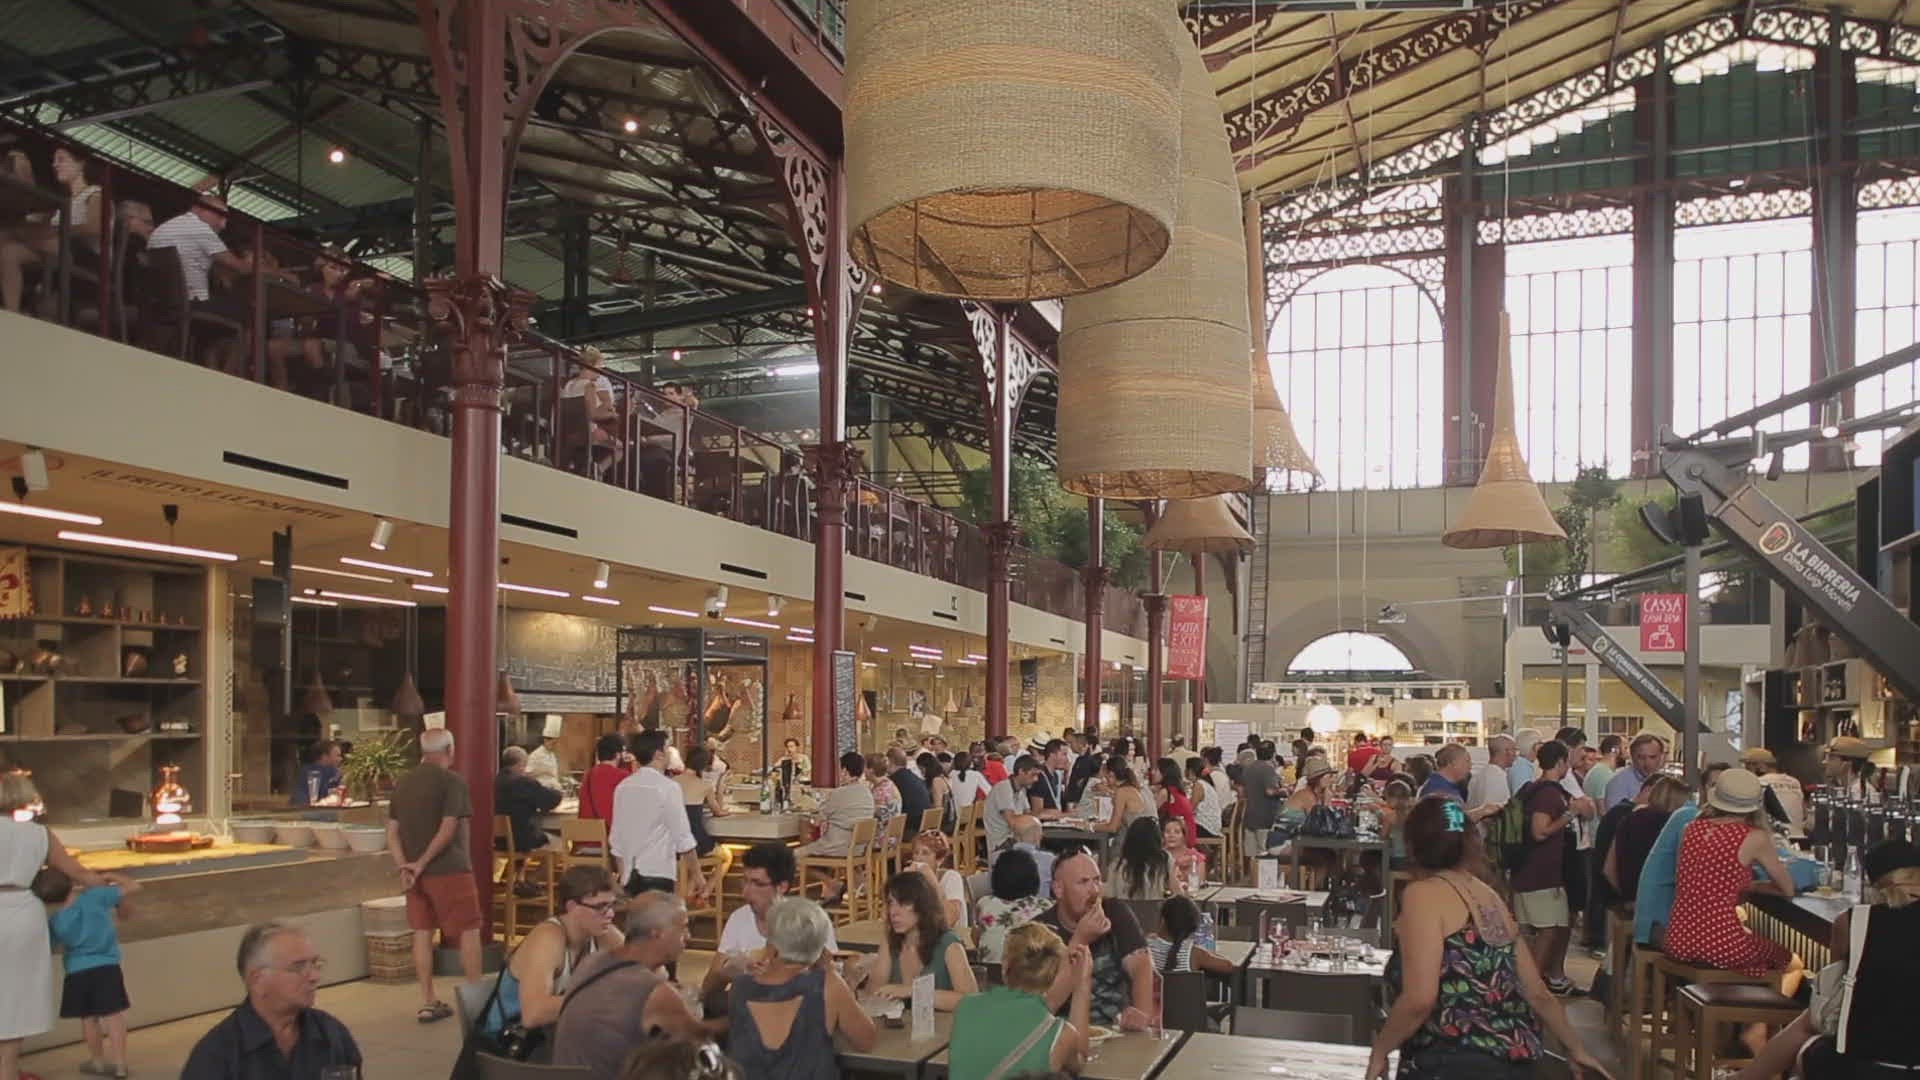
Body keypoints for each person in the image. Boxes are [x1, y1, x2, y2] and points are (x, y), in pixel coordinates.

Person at [1367, 797, 1607, 1079]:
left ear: (1412, 844)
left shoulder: (1423, 895)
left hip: (1450, 1062)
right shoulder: (1489, 897)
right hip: (1515, 1064)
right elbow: (1537, 993)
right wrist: (1576, 1048)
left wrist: (1380, 1050)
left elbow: (1420, 999)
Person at [1734, 839, 1920, 1080]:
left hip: (1861, 1065)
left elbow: (1836, 983)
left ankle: (1745, 1076)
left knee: (1811, 1024)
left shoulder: (1853, 922)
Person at [4, 771, 107, 1080]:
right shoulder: (39, 834)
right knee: (16, 995)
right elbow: (79, 873)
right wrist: (110, 887)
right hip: (22, 913)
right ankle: (7, 1068)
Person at [1662, 768, 1803, 983]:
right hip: (1721, 943)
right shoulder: (1754, 837)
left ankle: (1726, 1003)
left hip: (1677, 938)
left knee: (1748, 941)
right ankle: (1764, 1006)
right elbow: (1787, 888)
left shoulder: (1691, 828)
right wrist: (1754, 886)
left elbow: (1699, 879)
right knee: (1793, 963)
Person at [385, 728, 482, 1023]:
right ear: (450, 750)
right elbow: (449, 827)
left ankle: (428, 1001)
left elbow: (392, 830)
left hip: (414, 874)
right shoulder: (452, 781)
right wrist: (423, 862)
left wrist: (405, 865)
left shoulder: (403, 782)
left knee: (422, 932)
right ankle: (476, 1000)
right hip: (450, 868)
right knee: (469, 930)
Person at [180, 921, 361, 1079]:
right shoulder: (216, 1056)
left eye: (315, 964)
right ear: (257, 980)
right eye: (298, 967)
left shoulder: (332, 1034)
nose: (314, 976)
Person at [551, 894, 708, 1074]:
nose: (688, 936)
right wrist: (733, 1017)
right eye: (683, 927)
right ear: (657, 932)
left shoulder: (592, 962)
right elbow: (700, 1036)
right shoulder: (653, 990)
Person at [728, 898, 876, 1080]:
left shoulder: (740, 987)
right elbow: (866, 1040)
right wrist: (843, 978)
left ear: (772, 942)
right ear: (820, 946)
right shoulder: (828, 984)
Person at [481, 865, 624, 1039]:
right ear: (572, 907)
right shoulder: (548, 937)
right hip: (513, 1041)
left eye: (612, 905)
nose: (610, 914)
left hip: (556, 1035)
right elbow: (533, 1014)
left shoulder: (602, 931)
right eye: (600, 906)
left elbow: (644, 971)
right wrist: (600, 999)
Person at [31, 865, 138, 1078]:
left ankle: (97, 1062)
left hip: (76, 971)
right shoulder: (95, 897)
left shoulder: (56, 921)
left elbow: (49, 946)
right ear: (72, 883)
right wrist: (110, 875)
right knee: (114, 1017)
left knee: (89, 1019)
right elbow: (134, 886)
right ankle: (120, 1064)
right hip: (107, 966)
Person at [949, 923, 1092, 1080]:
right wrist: (1082, 985)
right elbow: (1079, 1062)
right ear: (1052, 973)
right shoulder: (1061, 1035)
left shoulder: (965, 1007)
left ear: (1005, 966)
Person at [1035, 851, 1154, 1031]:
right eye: (1083, 882)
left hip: (1116, 1029)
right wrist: (1080, 940)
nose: (1094, 890)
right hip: (1060, 1033)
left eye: (1097, 880)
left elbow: (1141, 966)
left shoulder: (1115, 912)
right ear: (1059, 889)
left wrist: (1142, 1016)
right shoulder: (1041, 931)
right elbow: (1045, 1006)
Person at [610, 731, 714, 903]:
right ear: (659, 754)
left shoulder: (623, 786)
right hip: (658, 872)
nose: (670, 753)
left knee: (637, 918)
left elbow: (616, 838)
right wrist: (698, 876)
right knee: (658, 918)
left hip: (629, 872)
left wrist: (624, 875)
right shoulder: (668, 788)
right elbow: (683, 838)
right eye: (667, 748)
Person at [1634, 763, 1730, 948]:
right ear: (1702, 790)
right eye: (1714, 785)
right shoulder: (1690, 817)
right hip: (1660, 926)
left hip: (1667, 923)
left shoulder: (1706, 820)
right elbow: (1693, 876)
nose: (1720, 793)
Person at [1511, 740, 1580, 995]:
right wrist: (1569, 814)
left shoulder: (1531, 789)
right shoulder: (1548, 794)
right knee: (1548, 930)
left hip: (1526, 870)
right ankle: (1530, 987)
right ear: (1561, 762)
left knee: (1538, 930)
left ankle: (1528, 983)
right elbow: (1539, 831)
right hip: (1540, 874)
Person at [854, 871, 977, 1010]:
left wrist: (913, 991)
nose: (893, 912)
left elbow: (971, 1001)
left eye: (904, 903)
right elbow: (873, 994)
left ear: (923, 905)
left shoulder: (949, 944)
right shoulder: (890, 942)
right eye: (891, 903)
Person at [0, 146, 101, 312]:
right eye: (54, 161)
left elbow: (94, 226)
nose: (55, 164)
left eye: (61, 159)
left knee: (9, 233)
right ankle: (12, 313)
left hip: (79, 250)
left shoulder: (95, 193)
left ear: (80, 164)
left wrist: (57, 230)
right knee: (8, 252)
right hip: (52, 246)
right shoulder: (63, 202)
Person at [797, 752, 875, 903]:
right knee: (814, 848)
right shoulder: (867, 792)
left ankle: (831, 883)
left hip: (837, 847)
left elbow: (817, 821)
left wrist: (807, 820)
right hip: (858, 848)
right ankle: (843, 887)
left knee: (793, 857)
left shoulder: (839, 794)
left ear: (844, 770)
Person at [1601, 774, 1689, 907]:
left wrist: (1628, 897)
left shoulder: (1629, 819)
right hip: (1663, 906)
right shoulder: (1677, 826)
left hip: (1629, 903)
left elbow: (1608, 869)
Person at [976, 847, 1053, 963]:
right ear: (1034, 878)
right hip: (1031, 972)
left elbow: (977, 939)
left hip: (990, 970)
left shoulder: (984, 903)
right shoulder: (1045, 906)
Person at [496, 746, 563, 859]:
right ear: (520, 764)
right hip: (522, 840)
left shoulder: (496, 780)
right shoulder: (523, 783)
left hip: (498, 841)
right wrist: (557, 791)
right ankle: (540, 872)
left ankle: (519, 870)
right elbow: (551, 799)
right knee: (560, 843)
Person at [1147, 894, 1237, 977]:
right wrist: (1208, 952)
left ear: (1162, 920)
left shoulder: (1145, 947)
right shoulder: (1195, 953)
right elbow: (1229, 966)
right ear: (1192, 928)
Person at [676, 746, 732, 858]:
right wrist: (721, 784)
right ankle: (708, 871)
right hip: (697, 842)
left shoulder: (671, 781)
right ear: (704, 765)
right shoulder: (705, 785)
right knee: (726, 855)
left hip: (674, 843)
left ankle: (689, 870)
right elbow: (718, 812)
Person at [1741, 747, 1806, 840]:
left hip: (1774, 840)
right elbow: (1804, 814)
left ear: (1760, 766)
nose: (1746, 771)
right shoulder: (1795, 782)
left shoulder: (1758, 783)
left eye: (1748, 766)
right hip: (1799, 838)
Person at [908, 829, 969, 928]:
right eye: (916, 853)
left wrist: (931, 879)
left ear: (940, 860)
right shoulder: (914, 880)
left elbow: (949, 920)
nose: (918, 858)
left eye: (925, 853)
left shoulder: (951, 877)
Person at [984, 754, 1043, 855]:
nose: (1036, 779)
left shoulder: (1021, 790)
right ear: (1021, 771)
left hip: (1015, 839)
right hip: (1002, 844)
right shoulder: (1003, 788)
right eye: (1033, 775)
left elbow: (1028, 814)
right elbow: (1013, 822)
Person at [1107, 816, 1174, 901]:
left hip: (1124, 908)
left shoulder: (1117, 865)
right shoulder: (1165, 860)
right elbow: (1174, 891)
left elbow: (1110, 895)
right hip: (1158, 908)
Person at [1603, 732, 1667, 811]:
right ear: (1632, 757)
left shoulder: (1665, 781)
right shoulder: (1617, 783)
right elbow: (1614, 817)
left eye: (1652, 757)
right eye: (1641, 757)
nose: (1647, 763)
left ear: (1661, 757)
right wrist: (1635, 802)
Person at [1091, 754, 1150, 838]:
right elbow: (1118, 823)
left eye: (1104, 773)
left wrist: (1090, 826)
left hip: (1140, 839)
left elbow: (1112, 827)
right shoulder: (1132, 787)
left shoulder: (1122, 792)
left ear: (1111, 774)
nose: (1103, 778)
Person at [577, 733, 631, 823]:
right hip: (611, 829)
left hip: (586, 830)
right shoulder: (623, 776)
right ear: (618, 754)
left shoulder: (588, 774)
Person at [1001, 815, 1056, 893]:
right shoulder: (1050, 860)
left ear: (1015, 837)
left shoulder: (997, 858)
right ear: (1036, 836)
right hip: (1039, 900)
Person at [886, 746, 932, 840]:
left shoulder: (893, 782)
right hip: (923, 827)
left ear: (890, 761)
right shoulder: (915, 777)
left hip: (909, 830)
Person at [1151, 758, 1197, 847]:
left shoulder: (1164, 792)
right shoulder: (1177, 789)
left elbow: (1150, 812)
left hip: (1180, 835)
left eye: (1156, 770)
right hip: (1187, 832)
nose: (1153, 772)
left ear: (1164, 773)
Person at [1823, 736, 1881, 803]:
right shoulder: (1841, 789)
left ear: (1846, 764)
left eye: (1831, 758)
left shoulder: (1859, 793)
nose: (1824, 762)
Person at [1468, 734, 1516, 809]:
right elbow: (1494, 810)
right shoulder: (1497, 777)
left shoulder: (1479, 774)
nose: (1516, 755)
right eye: (1514, 750)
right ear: (1506, 751)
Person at [1163, 817, 1208, 893]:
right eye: (1167, 832)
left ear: (1184, 836)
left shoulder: (1196, 857)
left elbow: (1198, 884)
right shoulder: (1158, 856)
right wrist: (1175, 864)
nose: (1171, 835)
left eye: (1177, 832)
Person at [292, 740, 343, 807]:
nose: (341, 759)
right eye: (338, 755)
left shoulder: (334, 772)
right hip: (310, 811)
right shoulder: (310, 774)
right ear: (324, 757)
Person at [1029, 739, 1071, 819]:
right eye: (1064, 754)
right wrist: (1068, 815)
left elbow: (1065, 804)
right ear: (1052, 755)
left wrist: (1067, 776)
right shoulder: (1039, 777)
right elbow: (1037, 812)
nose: (1067, 759)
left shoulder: (1056, 775)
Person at [1185, 757, 1222, 840]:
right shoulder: (1205, 783)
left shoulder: (1199, 785)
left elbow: (1190, 809)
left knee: (1176, 828)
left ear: (1190, 771)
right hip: (1213, 826)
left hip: (1206, 827)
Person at [917, 752, 955, 833]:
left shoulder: (936, 781)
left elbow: (938, 808)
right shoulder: (943, 776)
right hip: (949, 820)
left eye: (921, 769)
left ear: (927, 767)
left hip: (944, 824)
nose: (921, 772)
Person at [528, 717, 565, 791]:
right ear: (545, 740)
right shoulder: (535, 755)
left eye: (556, 743)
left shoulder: (552, 755)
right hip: (540, 791)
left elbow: (553, 775)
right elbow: (528, 775)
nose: (555, 746)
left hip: (553, 791)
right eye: (553, 743)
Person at [1585, 735, 1623, 806]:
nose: (1629, 752)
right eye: (1625, 748)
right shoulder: (1604, 773)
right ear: (1615, 750)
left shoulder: (1600, 769)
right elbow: (1603, 808)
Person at [867, 755, 903, 827]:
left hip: (882, 832)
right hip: (893, 831)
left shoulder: (880, 791)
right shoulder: (889, 783)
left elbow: (874, 817)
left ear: (871, 770)